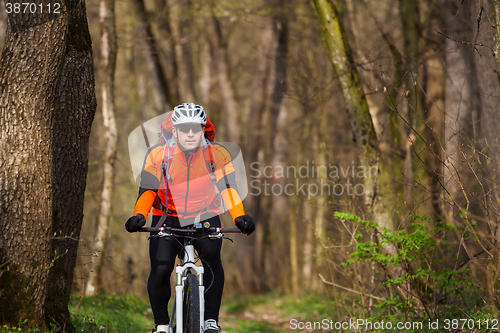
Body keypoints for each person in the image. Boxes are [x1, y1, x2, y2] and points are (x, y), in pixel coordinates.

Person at [125, 103, 255, 333]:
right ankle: (162, 325)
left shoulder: (217, 154)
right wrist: (139, 214)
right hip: (167, 217)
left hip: (205, 215)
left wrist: (239, 216)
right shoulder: (159, 154)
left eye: (196, 128)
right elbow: (148, 188)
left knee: (212, 261)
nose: (191, 133)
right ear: (174, 130)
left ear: (203, 129)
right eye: (185, 128)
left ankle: (210, 321)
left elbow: (228, 187)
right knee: (162, 268)